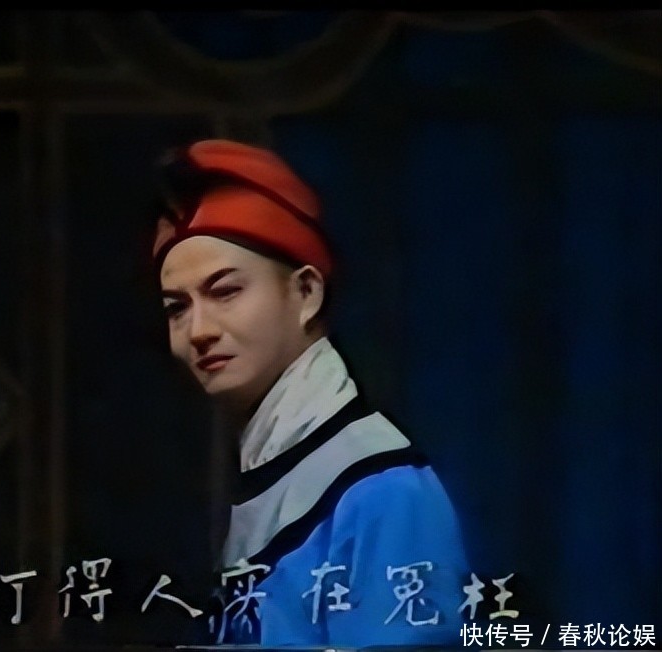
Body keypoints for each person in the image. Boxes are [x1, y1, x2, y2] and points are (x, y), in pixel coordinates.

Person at [150, 138, 470, 647]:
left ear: (306, 292)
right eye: (176, 308)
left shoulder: (381, 489)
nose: (199, 330)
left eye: (226, 291)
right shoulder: (274, 470)